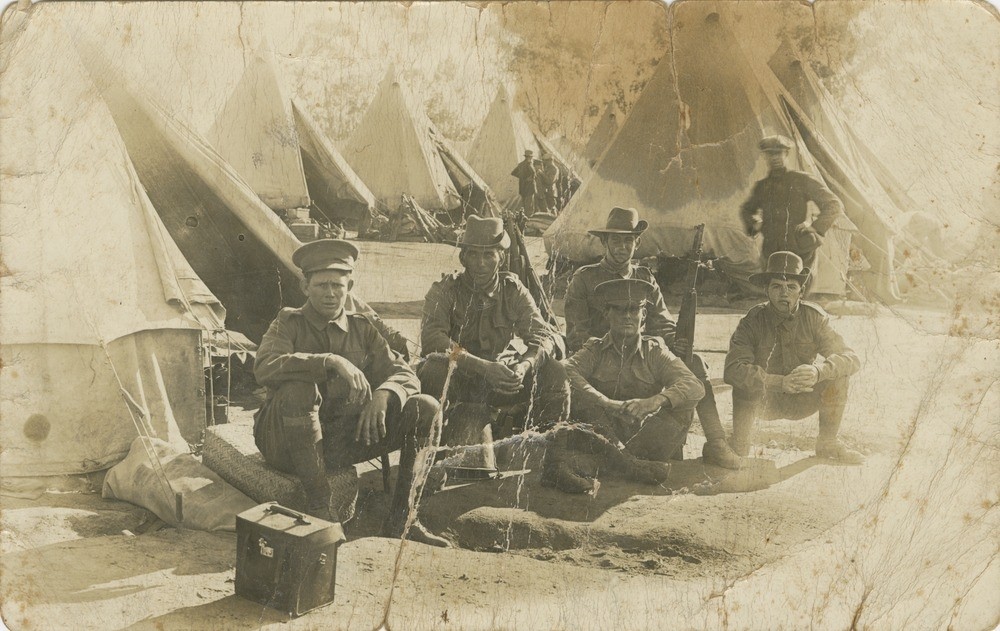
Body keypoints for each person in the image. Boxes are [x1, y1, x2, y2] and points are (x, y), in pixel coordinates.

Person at [253, 239, 449, 547]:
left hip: (341, 439)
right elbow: (264, 366)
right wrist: (330, 361)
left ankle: (403, 518)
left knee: (425, 407)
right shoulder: (288, 322)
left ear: (350, 286)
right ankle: (321, 510)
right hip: (286, 442)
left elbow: (405, 373)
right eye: (321, 285)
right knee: (299, 389)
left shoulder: (363, 327)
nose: (331, 294)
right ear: (305, 286)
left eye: (338, 285)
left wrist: (385, 393)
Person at [563, 207, 742, 469]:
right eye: (616, 240)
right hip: (600, 358)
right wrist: (606, 345)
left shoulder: (644, 277)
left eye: (628, 240)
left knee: (694, 363)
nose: (622, 247)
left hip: (642, 357)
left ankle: (716, 442)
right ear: (604, 242)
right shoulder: (584, 279)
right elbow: (576, 333)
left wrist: (674, 341)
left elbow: (661, 322)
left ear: (637, 243)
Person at [417, 215, 570, 441]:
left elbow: (543, 335)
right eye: (474, 254)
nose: (480, 263)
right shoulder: (445, 290)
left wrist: (524, 366)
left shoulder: (512, 290)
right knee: (433, 368)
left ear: (501, 257)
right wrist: (482, 367)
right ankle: (435, 441)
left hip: (500, 380)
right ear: (463, 257)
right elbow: (432, 338)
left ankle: (545, 452)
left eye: (489, 254)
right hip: (459, 377)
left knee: (554, 371)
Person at [724, 251, 864, 464]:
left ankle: (828, 443)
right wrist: (778, 382)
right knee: (743, 379)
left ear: (801, 291)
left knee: (839, 374)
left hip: (804, 397)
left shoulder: (814, 318)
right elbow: (732, 369)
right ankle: (740, 444)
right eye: (776, 286)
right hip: (765, 400)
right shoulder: (752, 321)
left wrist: (819, 371)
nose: (784, 294)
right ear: (766, 290)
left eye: (791, 287)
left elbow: (851, 358)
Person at [563, 279, 705, 464]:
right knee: (573, 392)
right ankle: (627, 464)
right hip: (604, 436)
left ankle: (624, 463)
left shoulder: (654, 351)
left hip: (643, 437)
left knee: (684, 405)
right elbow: (564, 369)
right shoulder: (595, 349)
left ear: (643, 314)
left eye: (634, 309)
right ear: (607, 313)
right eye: (619, 309)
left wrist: (654, 402)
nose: (627, 316)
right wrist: (605, 402)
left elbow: (694, 385)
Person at [739, 135, 844, 274]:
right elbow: (746, 209)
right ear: (764, 156)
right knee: (774, 290)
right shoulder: (762, 186)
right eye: (770, 153)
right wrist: (755, 224)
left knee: (797, 290)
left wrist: (815, 226)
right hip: (771, 250)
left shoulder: (801, 180)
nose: (774, 157)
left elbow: (834, 204)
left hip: (799, 248)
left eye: (778, 153)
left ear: (786, 154)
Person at [510, 149, 538, 216]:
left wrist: (522, 178)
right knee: (529, 206)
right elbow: (534, 173)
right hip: (529, 188)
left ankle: (524, 220)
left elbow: (513, 173)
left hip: (522, 187)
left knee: (524, 206)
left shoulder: (520, 164)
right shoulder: (529, 164)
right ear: (530, 157)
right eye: (531, 157)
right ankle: (529, 220)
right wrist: (528, 179)